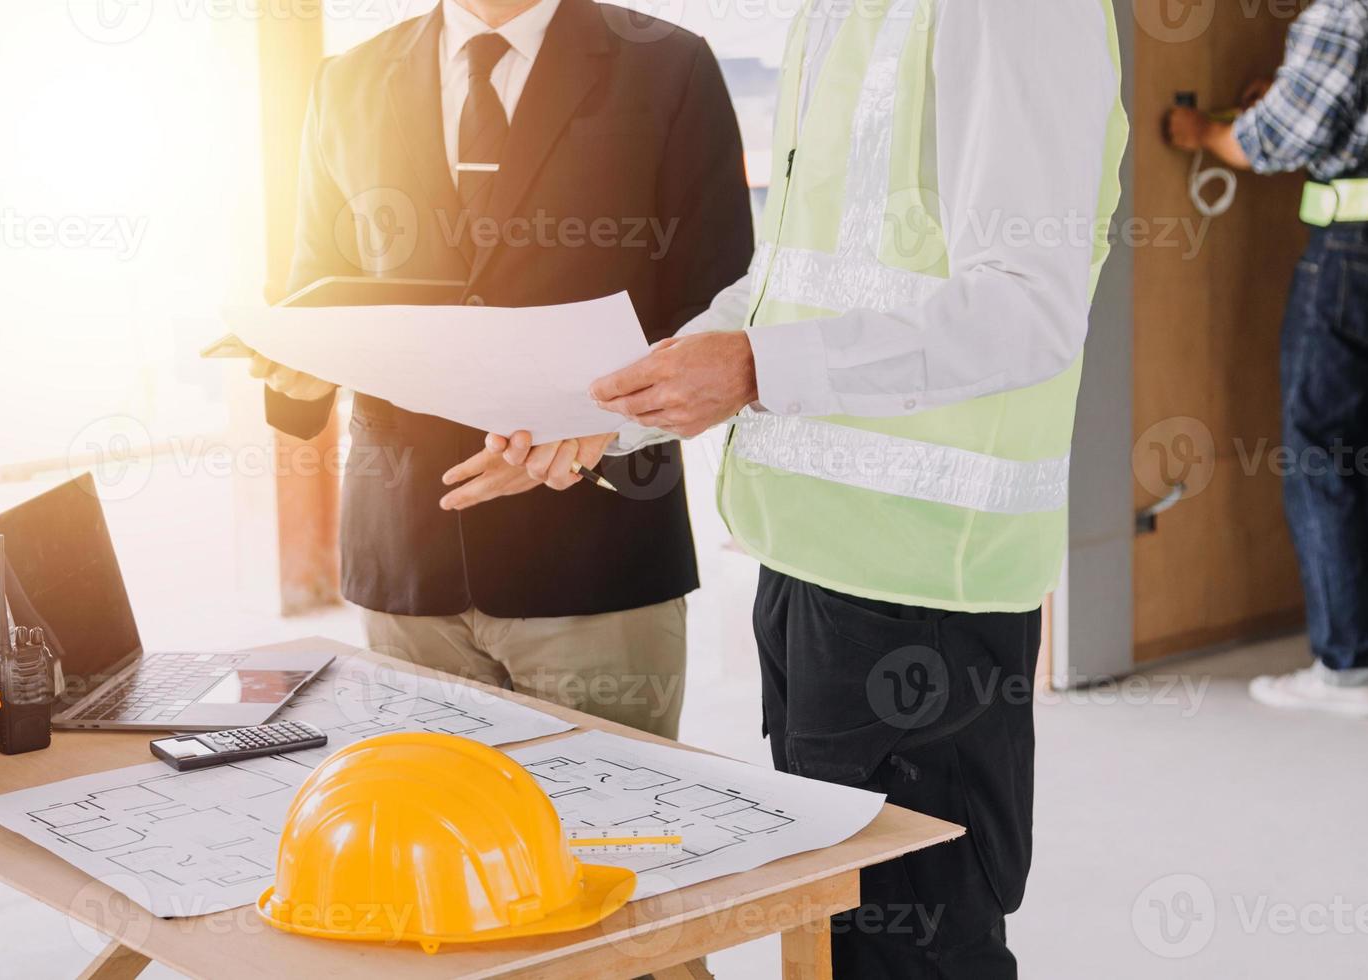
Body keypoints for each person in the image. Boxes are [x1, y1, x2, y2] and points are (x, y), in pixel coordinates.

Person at [460, 0, 1128, 974]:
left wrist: (758, 370)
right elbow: (784, 284)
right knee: (831, 933)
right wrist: (620, 406)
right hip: (805, 563)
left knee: (915, 950)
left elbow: (1024, 309)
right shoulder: (837, 13)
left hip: (927, 587)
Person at [249, 0, 753, 738]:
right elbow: (317, 285)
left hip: (594, 552)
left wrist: (588, 430)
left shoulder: (666, 64)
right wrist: (290, 361)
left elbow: (715, 305)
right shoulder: (347, 80)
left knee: (603, 834)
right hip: (405, 556)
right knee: (427, 834)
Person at [1165, 0, 1368, 717]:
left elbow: (1264, 146)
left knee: (1323, 452)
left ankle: (1347, 671)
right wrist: (1284, 97)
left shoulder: (1346, 14)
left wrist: (1198, 131)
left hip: (1353, 255)